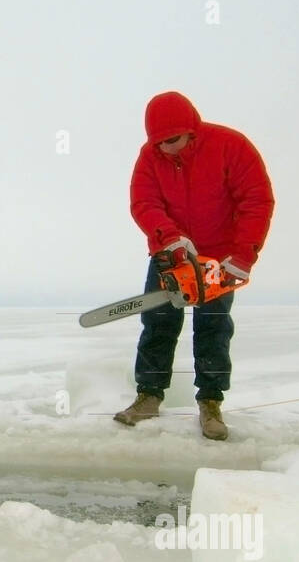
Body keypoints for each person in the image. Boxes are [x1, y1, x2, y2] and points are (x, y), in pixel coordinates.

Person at [115, 91, 275, 440]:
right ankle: (148, 396)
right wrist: (169, 239)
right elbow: (144, 202)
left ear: (192, 130)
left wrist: (243, 256)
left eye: (173, 140)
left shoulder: (231, 146)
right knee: (157, 321)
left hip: (220, 257)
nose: (167, 148)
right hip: (171, 252)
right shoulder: (150, 156)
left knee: (213, 327)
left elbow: (256, 199)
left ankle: (211, 403)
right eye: (159, 143)